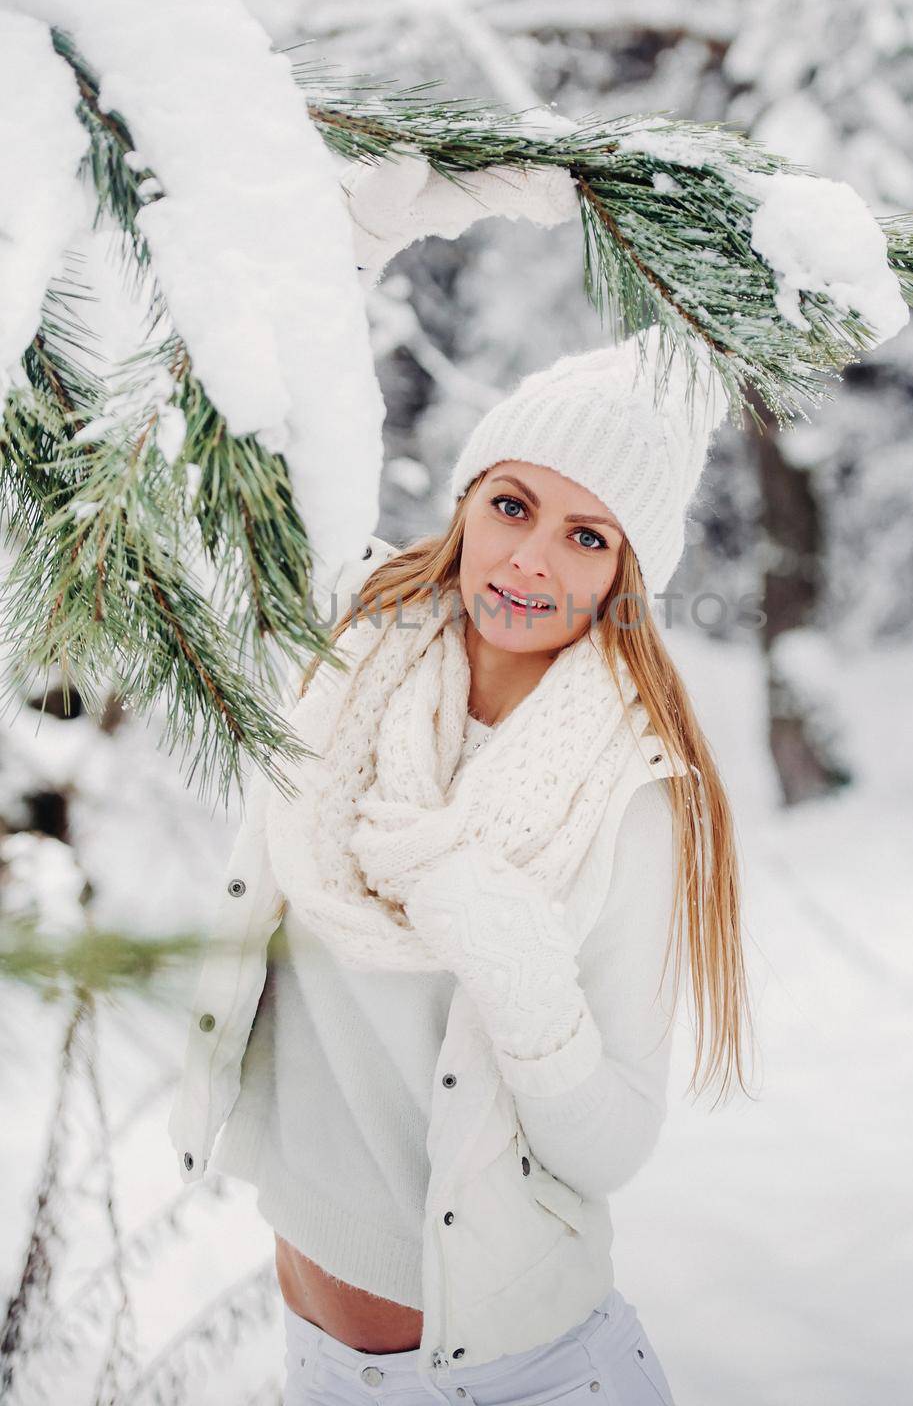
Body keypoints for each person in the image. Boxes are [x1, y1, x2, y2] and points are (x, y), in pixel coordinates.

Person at [168, 324, 754, 1404]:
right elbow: (243, 357)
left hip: (522, 1376)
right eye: (514, 505)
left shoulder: (627, 800)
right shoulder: (349, 654)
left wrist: (525, 980)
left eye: (588, 536)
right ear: (465, 501)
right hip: (318, 1358)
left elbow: (613, 1143)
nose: (532, 559)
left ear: (628, 570)